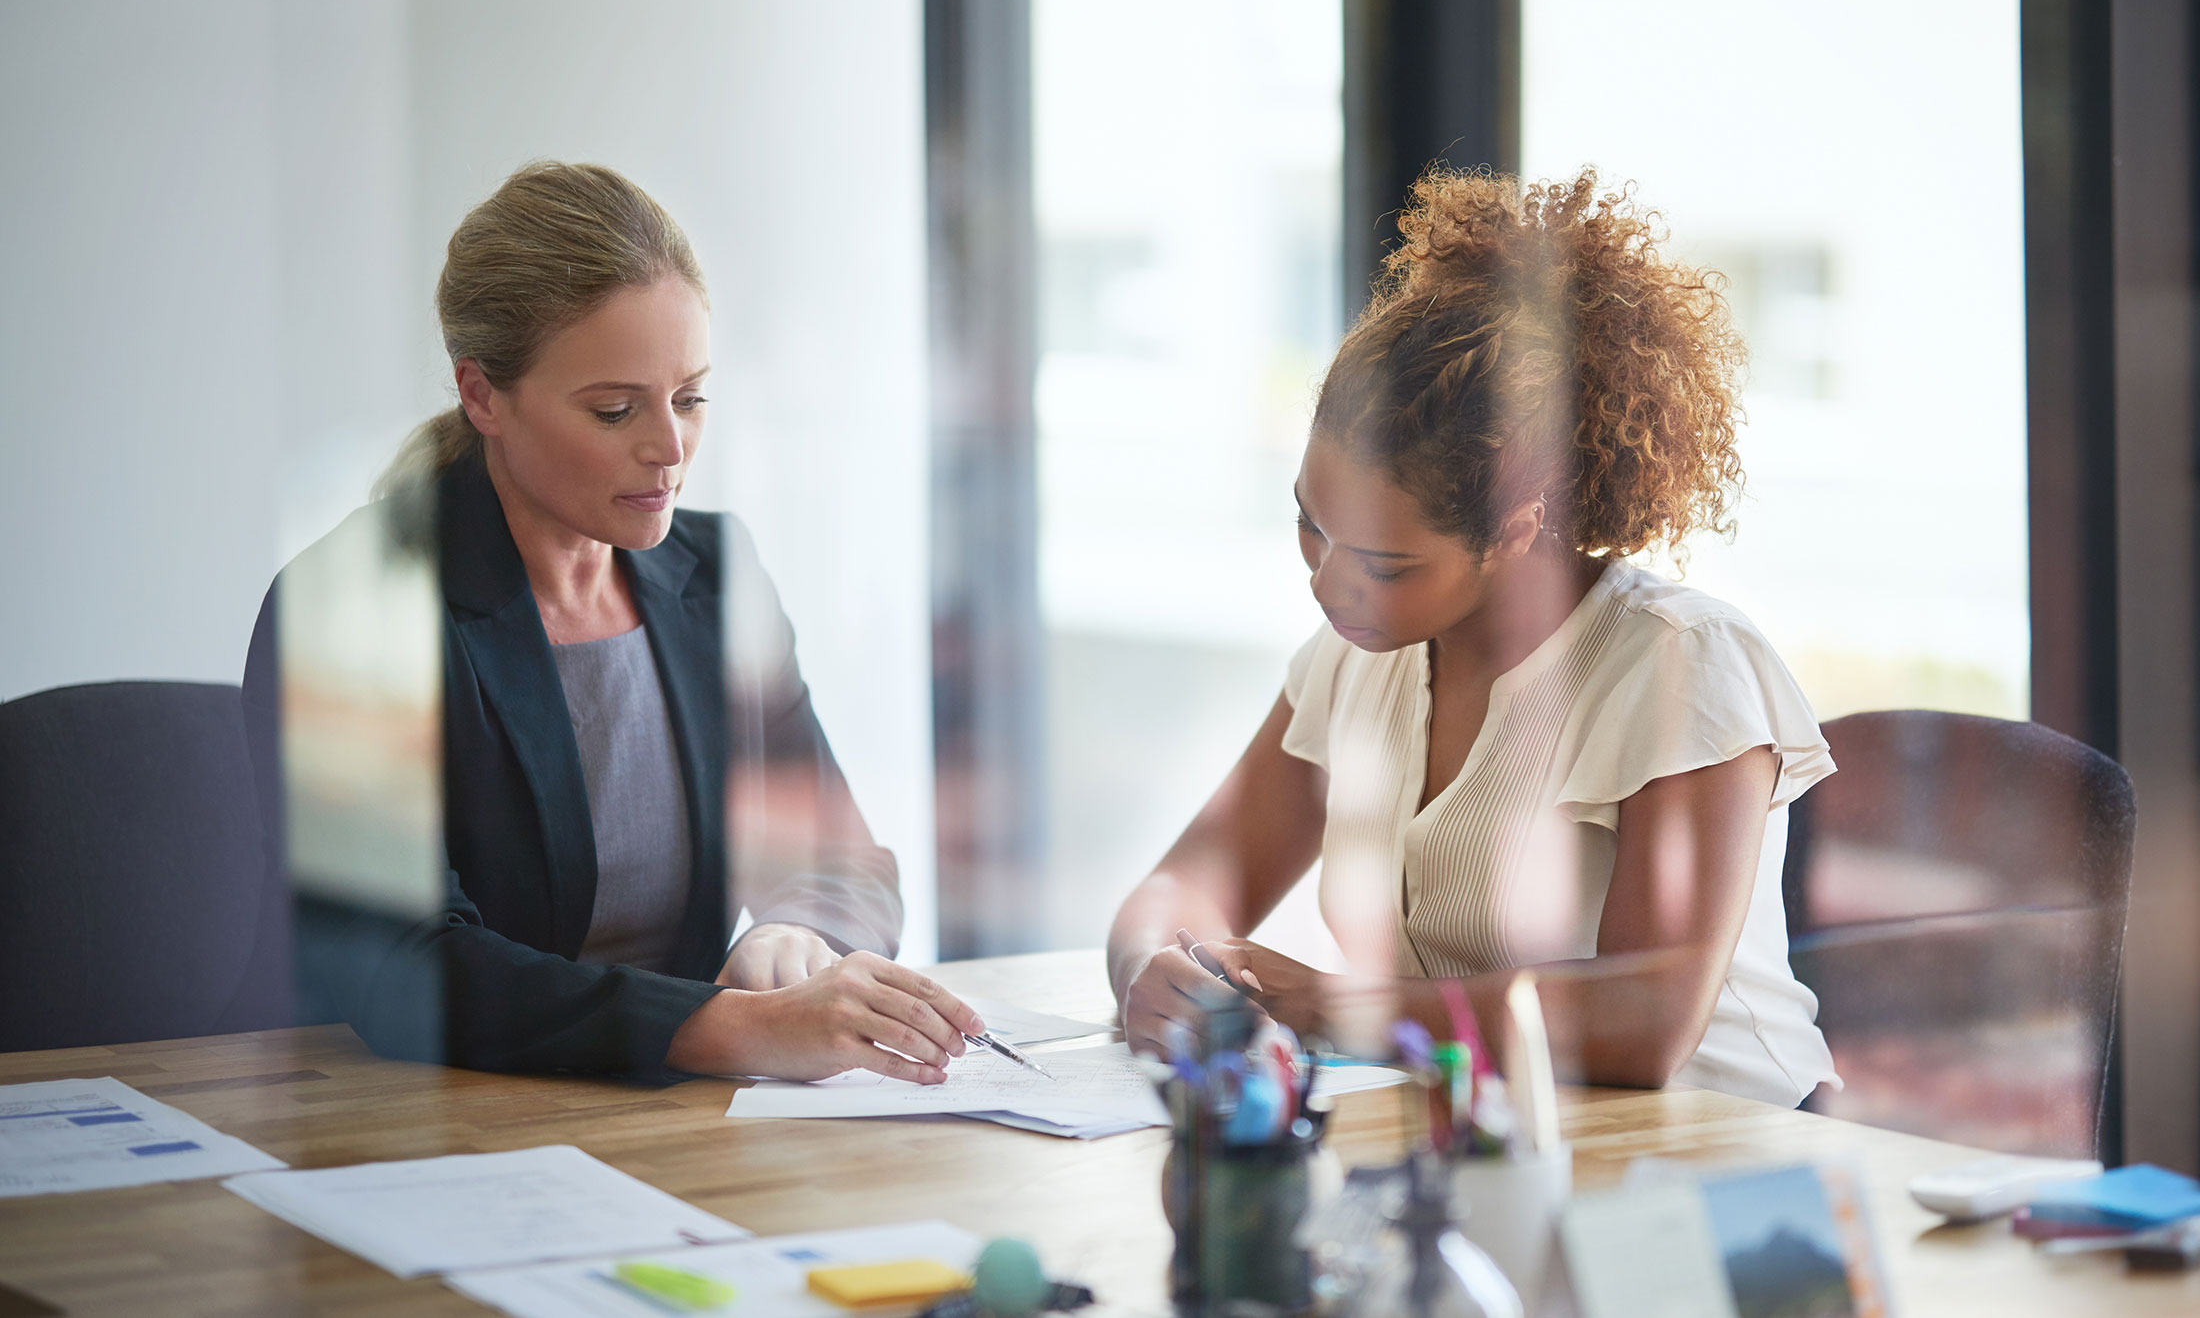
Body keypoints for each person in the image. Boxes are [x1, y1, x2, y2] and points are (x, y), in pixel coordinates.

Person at [1108, 169, 1839, 1107]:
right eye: (1310, 526)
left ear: (1516, 530)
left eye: (1386, 564)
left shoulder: (1677, 662)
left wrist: (1336, 1005)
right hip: (1496, 1147)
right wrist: (1157, 969)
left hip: (1722, 1159)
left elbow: (1646, 1022)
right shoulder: (1353, 661)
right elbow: (1182, 884)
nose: (1329, 584)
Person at [244, 161, 980, 1083]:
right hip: (406, 1124)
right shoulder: (349, 606)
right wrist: (726, 1026)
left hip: (659, 1130)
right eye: (615, 409)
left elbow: (847, 863)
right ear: (482, 396)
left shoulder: (715, 574)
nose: (669, 449)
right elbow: (406, 966)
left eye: (691, 397)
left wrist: (797, 937)